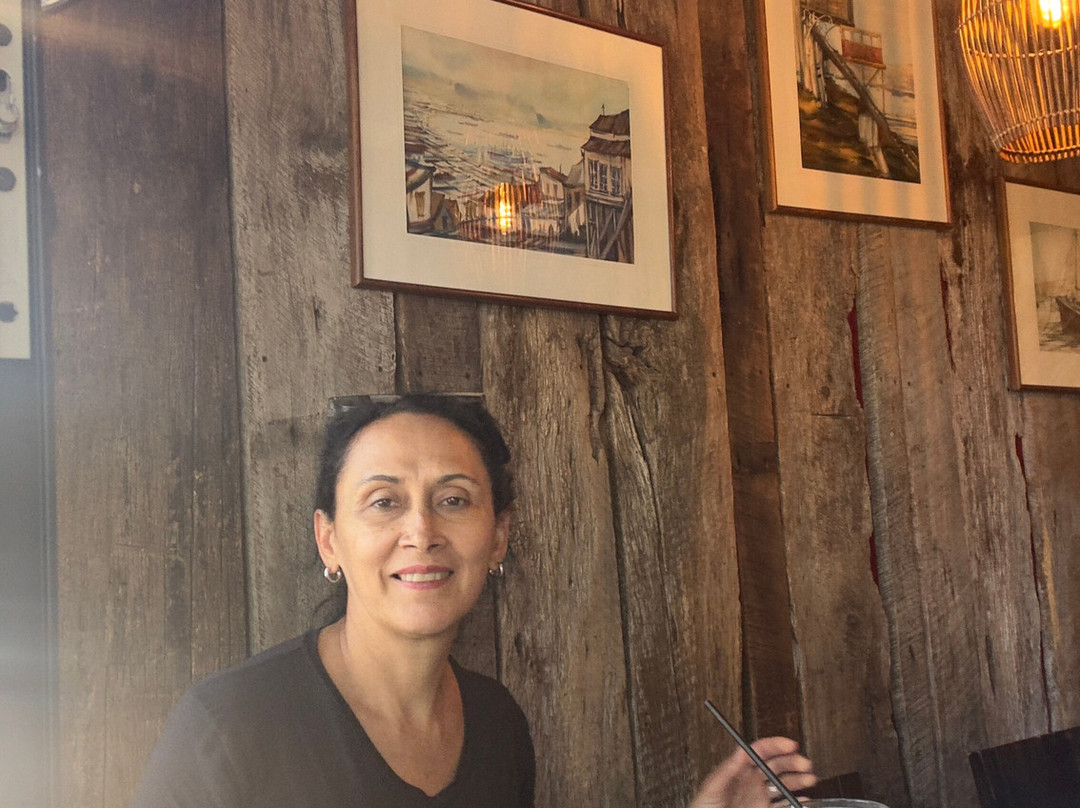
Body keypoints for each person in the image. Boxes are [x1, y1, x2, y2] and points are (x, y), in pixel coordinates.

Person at [131, 394, 815, 808]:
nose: (421, 531)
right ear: (329, 540)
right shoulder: (230, 727)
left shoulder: (497, 725)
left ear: (498, 537)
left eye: (454, 500)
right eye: (384, 502)